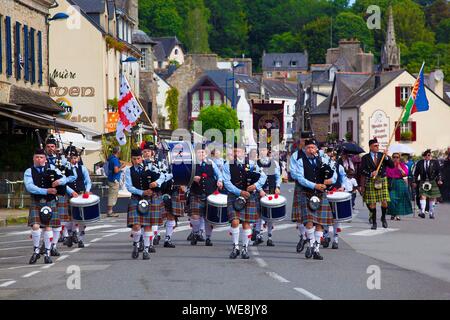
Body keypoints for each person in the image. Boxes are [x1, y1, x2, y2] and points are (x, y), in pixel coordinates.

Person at [290, 139, 336, 260]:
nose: (311, 150)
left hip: (321, 194)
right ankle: (310, 245)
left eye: (313, 147)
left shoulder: (324, 160)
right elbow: (300, 178)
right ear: (305, 149)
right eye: (309, 147)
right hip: (307, 193)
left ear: (317, 149)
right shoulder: (300, 161)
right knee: (309, 222)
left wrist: (330, 180)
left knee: (320, 223)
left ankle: (316, 249)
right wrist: (314, 185)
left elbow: (334, 173)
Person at [223, 141, 267, 259]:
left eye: (240, 151)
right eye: (235, 151)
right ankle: (236, 247)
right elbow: (226, 182)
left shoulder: (252, 164)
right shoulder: (228, 164)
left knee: (246, 223)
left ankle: (245, 249)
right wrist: (240, 192)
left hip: (250, 196)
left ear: (244, 152)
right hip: (234, 195)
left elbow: (263, 177)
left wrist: (256, 186)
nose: (237, 153)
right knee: (235, 221)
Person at [25, 149, 68, 264]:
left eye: (41, 157)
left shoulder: (52, 168)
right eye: (37, 157)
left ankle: (47, 253)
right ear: (33, 158)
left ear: (45, 159)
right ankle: (36, 250)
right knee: (35, 226)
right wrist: (46, 190)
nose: (39, 159)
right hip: (36, 201)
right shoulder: (29, 171)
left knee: (48, 227)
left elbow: (64, 178)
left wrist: (59, 182)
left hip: (50, 202)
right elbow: (30, 187)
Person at [125, 148, 165, 260]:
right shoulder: (129, 170)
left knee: (148, 225)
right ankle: (136, 244)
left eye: (138, 158)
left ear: (141, 158)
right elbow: (129, 187)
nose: (137, 161)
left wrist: (156, 182)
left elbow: (162, 175)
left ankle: (146, 250)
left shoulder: (150, 166)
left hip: (149, 199)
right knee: (136, 225)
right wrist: (142, 192)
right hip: (136, 198)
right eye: (134, 159)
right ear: (132, 159)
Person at [188, 143, 224, 246]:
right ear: (195, 153)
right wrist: (192, 178)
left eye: (203, 152)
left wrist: (220, 181)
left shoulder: (211, 163)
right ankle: (195, 233)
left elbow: (219, 174)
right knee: (195, 216)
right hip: (196, 193)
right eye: (199, 152)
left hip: (210, 194)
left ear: (206, 153)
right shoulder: (192, 164)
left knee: (209, 218)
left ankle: (208, 237)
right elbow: (186, 177)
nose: (201, 154)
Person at [360, 138, 394, 230]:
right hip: (372, 180)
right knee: (372, 204)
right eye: (375, 146)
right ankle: (374, 222)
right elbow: (362, 170)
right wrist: (370, 173)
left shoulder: (382, 155)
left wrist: (387, 157)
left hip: (382, 179)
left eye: (378, 145)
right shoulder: (365, 158)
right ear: (370, 147)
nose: (377, 147)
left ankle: (383, 218)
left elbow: (392, 165)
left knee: (385, 202)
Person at [252, 144, 281, 246]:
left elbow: (278, 176)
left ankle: (269, 236)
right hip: (260, 191)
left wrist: (278, 187)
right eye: (261, 150)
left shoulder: (275, 163)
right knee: (259, 214)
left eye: (264, 150)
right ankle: (258, 235)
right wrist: (259, 189)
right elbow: (254, 179)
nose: (262, 152)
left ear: (268, 151)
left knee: (270, 214)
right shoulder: (255, 164)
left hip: (271, 190)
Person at [65, 147, 92, 248]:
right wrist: (71, 192)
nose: (74, 160)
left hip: (81, 195)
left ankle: (80, 239)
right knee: (71, 218)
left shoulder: (82, 168)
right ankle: (71, 234)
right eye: (72, 158)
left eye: (75, 158)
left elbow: (88, 181)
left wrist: (87, 190)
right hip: (70, 195)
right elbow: (63, 183)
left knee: (82, 219)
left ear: (78, 158)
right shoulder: (65, 169)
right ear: (68, 159)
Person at [413, 149, 443, 219]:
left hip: (432, 181)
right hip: (423, 181)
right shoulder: (420, 163)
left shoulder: (435, 162)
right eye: (428, 155)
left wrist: (439, 179)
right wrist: (414, 181)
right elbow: (416, 173)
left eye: (430, 155)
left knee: (432, 198)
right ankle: (422, 212)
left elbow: (439, 172)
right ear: (425, 156)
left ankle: (431, 213)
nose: (430, 156)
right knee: (423, 196)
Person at [386, 153, 412, 220]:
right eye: (394, 157)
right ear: (392, 158)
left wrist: (400, 169)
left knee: (399, 200)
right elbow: (385, 174)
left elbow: (405, 175)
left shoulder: (403, 165)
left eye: (397, 157)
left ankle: (397, 214)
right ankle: (393, 213)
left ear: (399, 158)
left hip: (400, 182)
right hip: (391, 182)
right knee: (391, 199)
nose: (395, 158)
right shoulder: (388, 165)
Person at [107, 147, 124, 217]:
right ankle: (110, 211)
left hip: (111, 178)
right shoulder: (115, 160)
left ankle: (110, 211)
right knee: (113, 195)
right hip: (114, 180)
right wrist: (122, 166)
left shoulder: (111, 158)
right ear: (118, 152)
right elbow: (116, 170)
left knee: (112, 194)